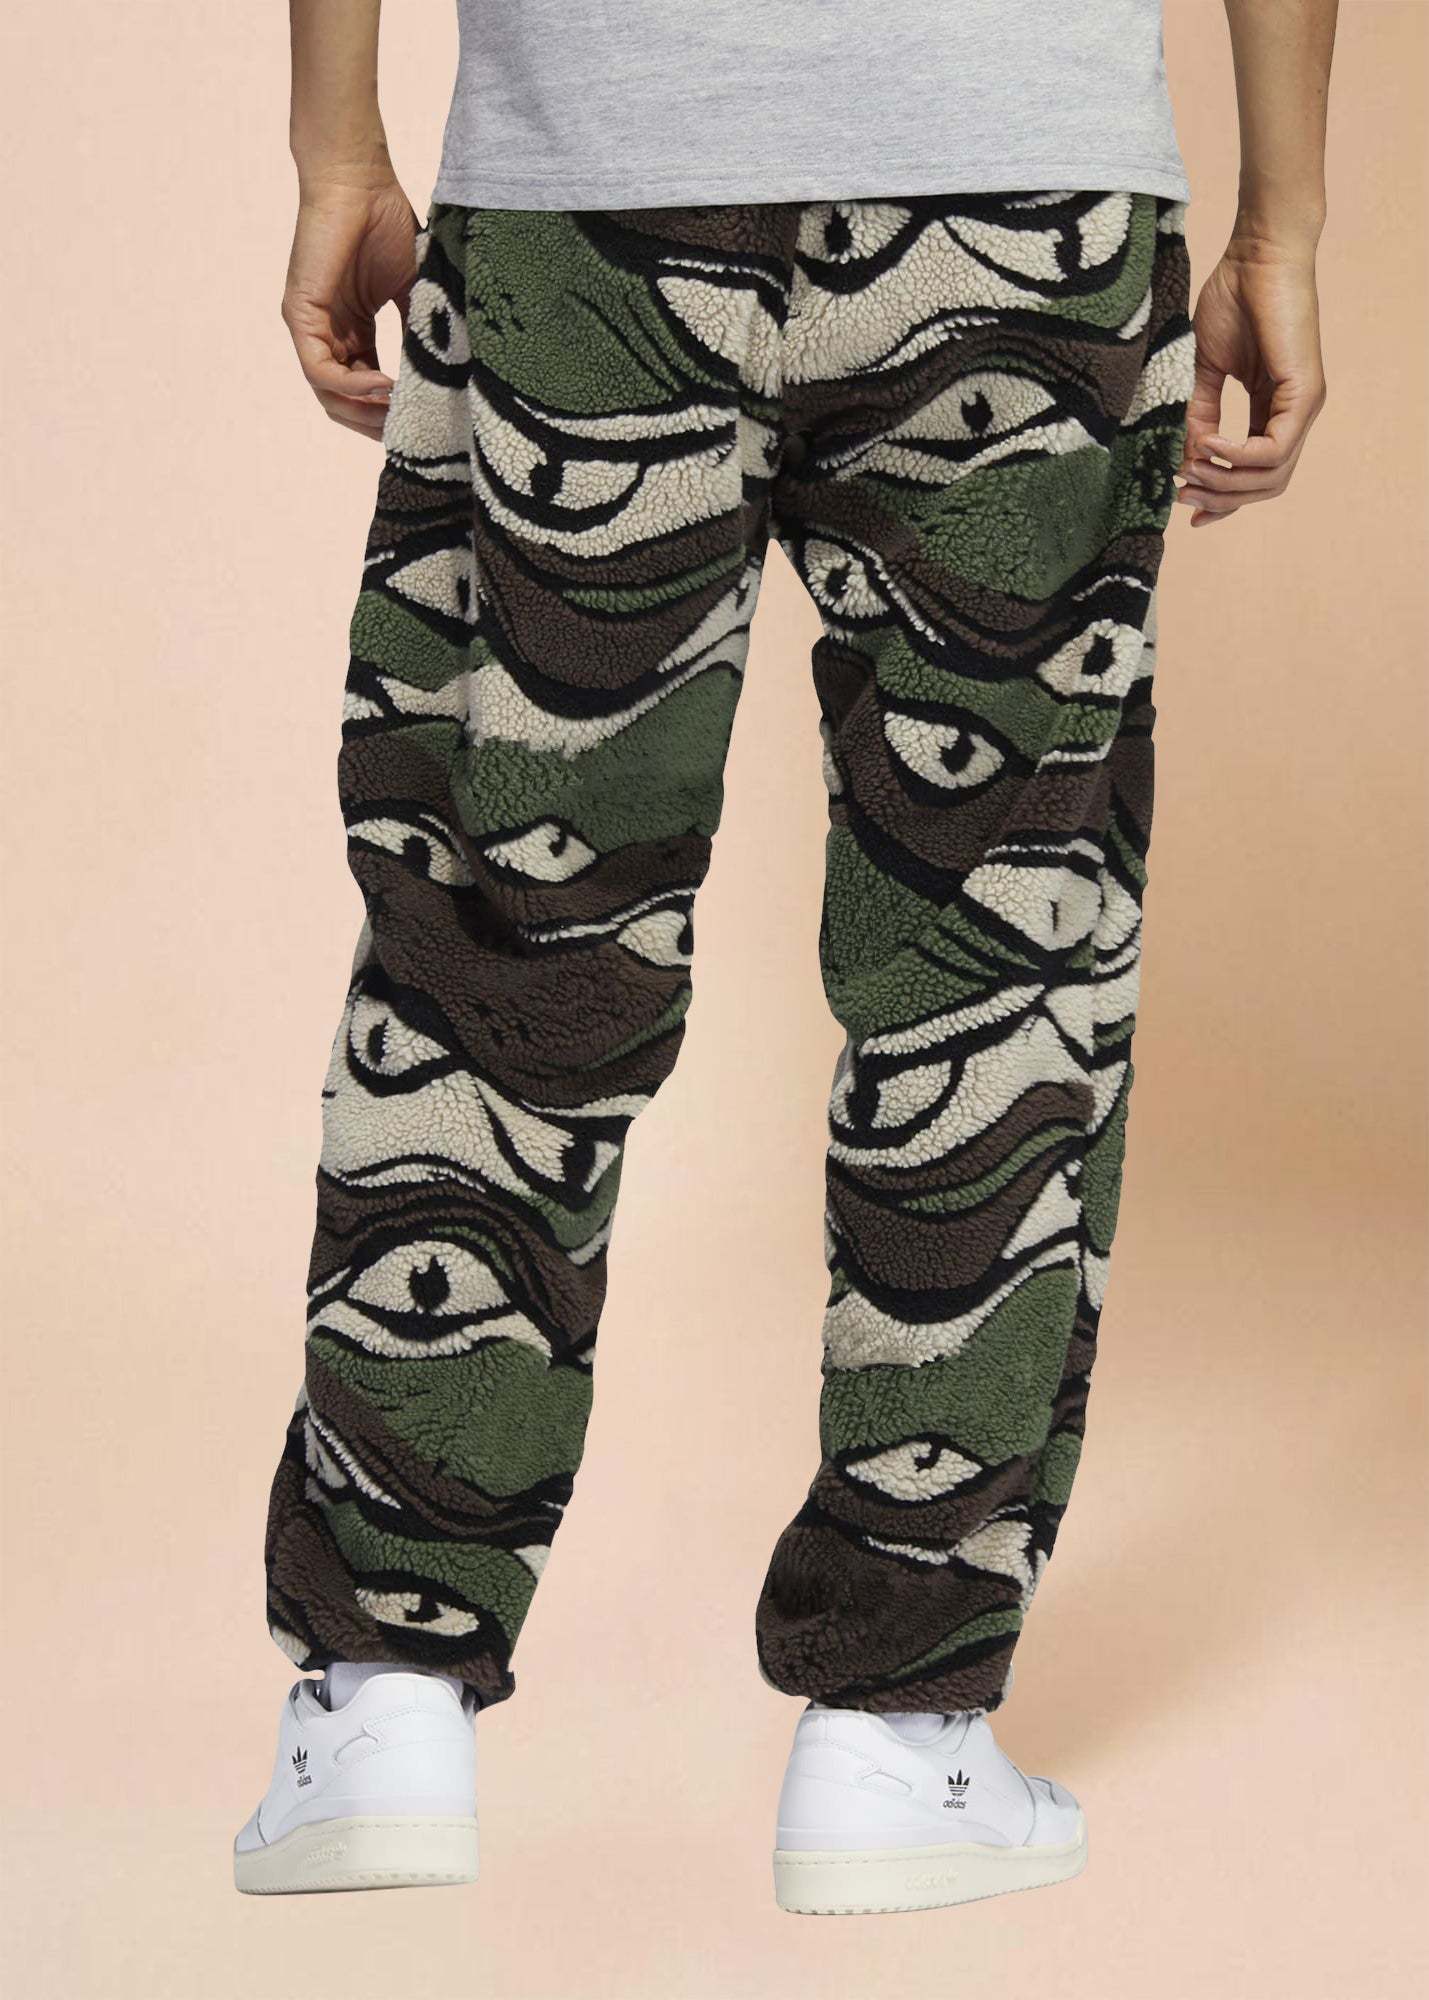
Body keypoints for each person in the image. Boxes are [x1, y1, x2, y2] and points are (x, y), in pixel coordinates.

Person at [235, 0, 1336, 1911]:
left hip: (591, 189)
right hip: (1017, 196)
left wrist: (339, 149)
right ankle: (897, 1734)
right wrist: (1282, 221)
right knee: (993, 964)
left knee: (495, 944)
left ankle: (387, 1689)